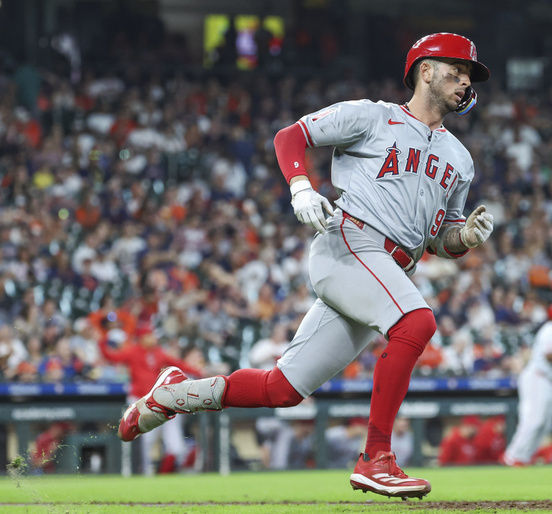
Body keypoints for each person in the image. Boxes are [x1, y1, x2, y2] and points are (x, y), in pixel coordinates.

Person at [116, 32, 493, 499]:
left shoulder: (460, 158)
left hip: (387, 271)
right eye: (455, 70)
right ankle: (376, 458)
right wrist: (299, 186)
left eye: (468, 75)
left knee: (282, 388)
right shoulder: (373, 116)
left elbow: (440, 239)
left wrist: (465, 238)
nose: (463, 81)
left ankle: (172, 395)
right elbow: (290, 136)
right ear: (425, 70)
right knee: (416, 322)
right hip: (351, 243)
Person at [98, 323, 202, 474]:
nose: (153, 338)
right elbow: (111, 356)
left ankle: (165, 473)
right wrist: (102, 341)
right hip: (139, 401)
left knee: (175, 446)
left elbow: (178, 364)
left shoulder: (158, 352)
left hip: (159, 400)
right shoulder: (133, 351)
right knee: (145, 442)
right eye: (150, 335)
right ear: (142, 337)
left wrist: (198, 371)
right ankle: (144, 472)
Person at [503, 299, 552, 466]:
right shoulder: (551, 329)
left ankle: (524, 458)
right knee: (533, 420)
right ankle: (511, 457)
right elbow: (549, 355)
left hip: (548, 380)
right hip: (538, 377)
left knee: (545, 424)